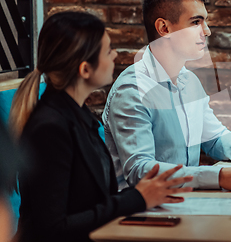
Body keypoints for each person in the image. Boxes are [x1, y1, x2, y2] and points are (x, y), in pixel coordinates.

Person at [11, 12, 193, 242]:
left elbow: (93, 203)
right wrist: (137, 198)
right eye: (108, 51)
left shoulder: (79, 116)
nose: (115, 55)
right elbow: (52, 228)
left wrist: (149, 193)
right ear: (85, 69)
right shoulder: (50, 128)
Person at [103, 0, 231, 192]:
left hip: (186, 201)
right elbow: (140, 171)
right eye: (196, 22)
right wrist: (218, 176)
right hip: (142, 213)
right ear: (164, 29)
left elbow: (213, 138)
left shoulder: (190, 81)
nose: (207, 31)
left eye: (205, 22)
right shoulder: (132, 89)